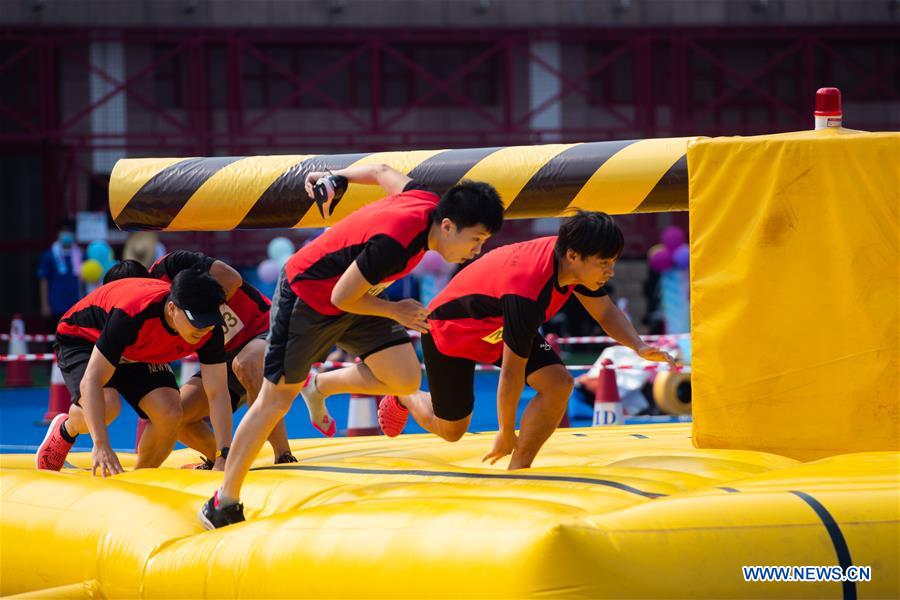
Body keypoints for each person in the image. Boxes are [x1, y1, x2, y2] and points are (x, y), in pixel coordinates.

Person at [199, 164, 505, 529]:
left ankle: (319, 386)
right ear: (448, 226)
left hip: (358, 296)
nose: (477, 250)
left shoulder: (423, 198)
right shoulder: (397, 243)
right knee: (274, 400)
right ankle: (222, 500)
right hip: (308, 297)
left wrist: (339, 175)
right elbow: (339, 295)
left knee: (406, 378)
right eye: (476, 240)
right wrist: (395, 310)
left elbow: (380, 170)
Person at [378, 211, 676, 470]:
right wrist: (506, 430)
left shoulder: (574, 266)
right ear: (573, 256)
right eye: (604, 263)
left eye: (613, 262)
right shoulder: (528, 290)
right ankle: (407, 396)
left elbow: (605, 311)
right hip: (451, 330)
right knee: (451, 429)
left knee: (559, 383)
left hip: (498, 324)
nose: (610, 272)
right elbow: (511, 374)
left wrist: (638, 346)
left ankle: (518, 468)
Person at [35, 269, 231, 476]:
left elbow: (218, 392)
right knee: (107, 405)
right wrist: (101, 445)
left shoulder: (210, 329)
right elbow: (91, 380)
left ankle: (141, 475)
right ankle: (66, 429)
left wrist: (224, 453)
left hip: (135, 348)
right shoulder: (133, 313)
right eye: (196, 321)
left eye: (208, 321)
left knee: (170, 411)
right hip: (85, 339)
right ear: (172, 308)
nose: (203, 329)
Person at [149, 251, 296, 467]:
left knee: (246, 364)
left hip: (264, 329)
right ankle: (223, 458)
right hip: (220, 354)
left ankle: (284, 456)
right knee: (173, 415)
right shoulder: (148, 312)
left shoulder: (170, 266)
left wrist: (206, 313)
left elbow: (232, 279)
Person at [38, 218, 82, 329]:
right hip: (56, 305)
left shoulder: (81, 254)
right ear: (58, 234)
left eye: (69, 231)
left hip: (76, 305)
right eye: (64, 231)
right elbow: (44, 280)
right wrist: (45, 304)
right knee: (53, 339)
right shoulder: (49, 255)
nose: (66, 234)